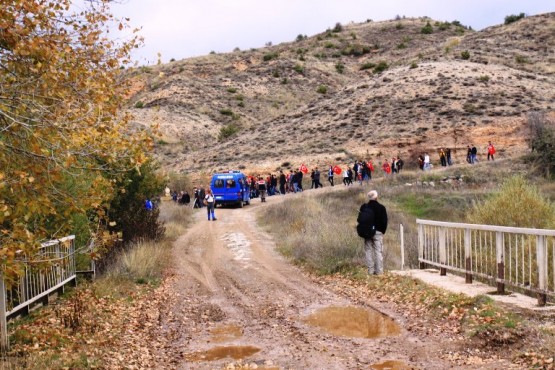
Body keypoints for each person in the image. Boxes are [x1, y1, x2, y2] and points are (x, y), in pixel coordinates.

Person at [360, 190, 388, 275]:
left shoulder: (364, 207)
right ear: (376, 197)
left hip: (367, 232)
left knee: (368, 251)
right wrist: (382, 231)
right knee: (378, 251)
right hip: (378, 232)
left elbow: (360, 220)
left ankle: (370, 271)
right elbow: (385, 221)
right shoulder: (381, 207)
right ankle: (379, 271)